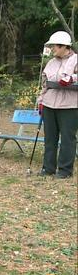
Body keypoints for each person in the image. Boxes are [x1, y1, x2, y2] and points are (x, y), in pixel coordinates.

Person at [37, 31, 78, 179]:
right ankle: (48, 168)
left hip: (69, 106)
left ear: (64, 46)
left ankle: (65, 171)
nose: (53, 49)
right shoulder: (51, 63)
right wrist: (41, 101)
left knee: (68, 138)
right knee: (50, 138)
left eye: (54, 46)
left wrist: (71, 78)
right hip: (49, 104)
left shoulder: (75, 60)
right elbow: (44, 84)